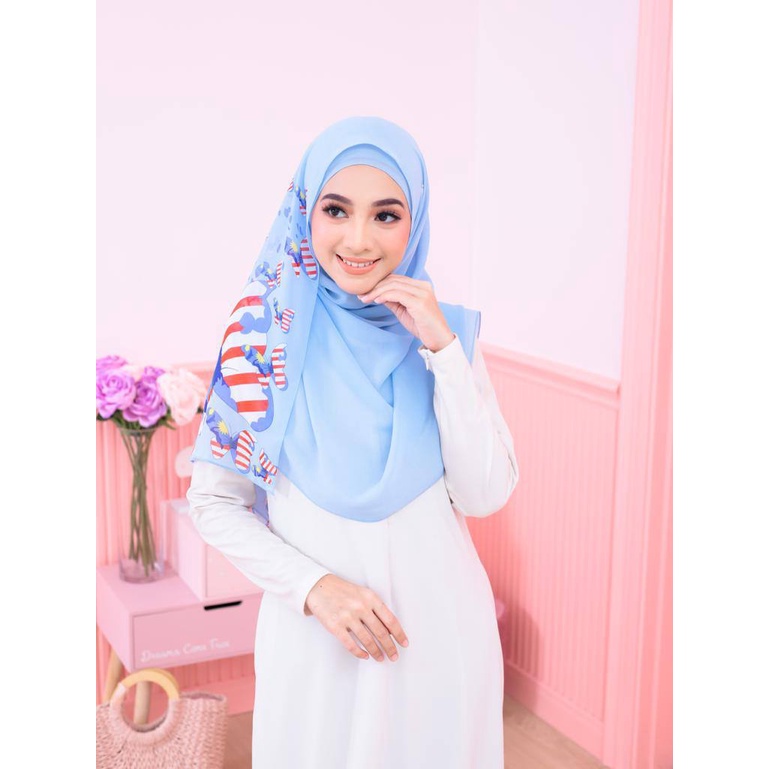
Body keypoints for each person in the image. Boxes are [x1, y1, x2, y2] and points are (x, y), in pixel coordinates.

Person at [186, 115, 519, 768]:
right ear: (305, 211)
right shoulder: (261, 336)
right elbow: (214, 503)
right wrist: (314, 586)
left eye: (386, 215)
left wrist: (442, 350)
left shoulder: (445, 335)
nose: (359, 239)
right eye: (336, 210)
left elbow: (483, 496)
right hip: (318, 648)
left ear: (414, 222)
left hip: (440, 646)